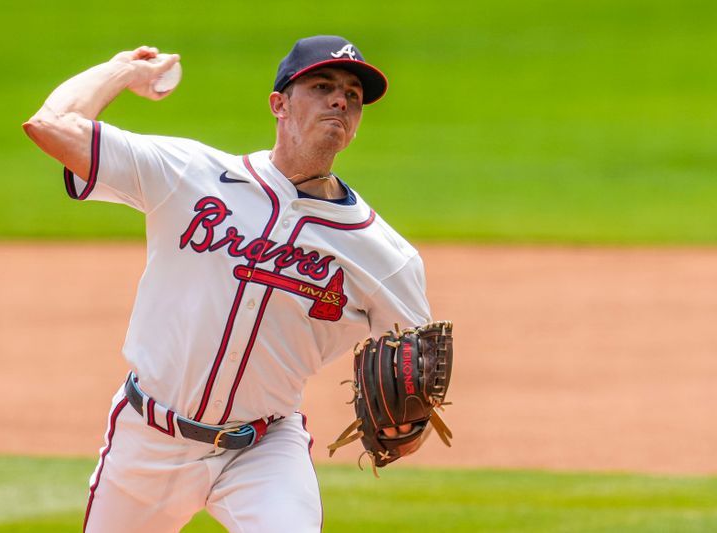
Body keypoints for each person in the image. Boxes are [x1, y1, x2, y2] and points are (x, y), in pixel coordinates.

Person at [23, 35, 431, 533]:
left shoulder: (385, 255)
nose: (341, 100)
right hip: (148, 439)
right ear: (278, 104)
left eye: (353, 94)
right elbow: (51, 125)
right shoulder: (191, 174)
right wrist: (124, 70)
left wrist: (409, 427)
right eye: (323, 86)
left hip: (263, 452)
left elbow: (417, 377)